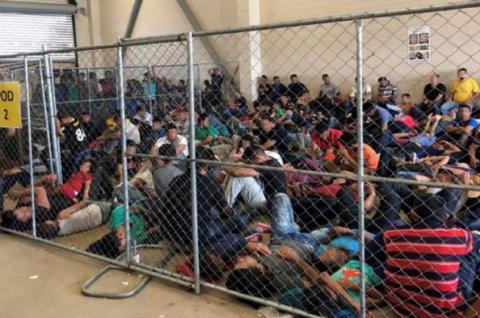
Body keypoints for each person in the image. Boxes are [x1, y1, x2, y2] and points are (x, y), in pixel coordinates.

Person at [365, 193, 480, 317]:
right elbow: (468, 245)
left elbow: (368, 253)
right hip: (443, 313)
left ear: (413, 214)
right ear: (446, 216)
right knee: (474, 246)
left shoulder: (391, 234)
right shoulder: (460, 235)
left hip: (400, 307)